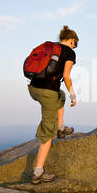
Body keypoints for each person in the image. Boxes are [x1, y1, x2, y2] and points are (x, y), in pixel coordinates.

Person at [27, 25, 78, 184]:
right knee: (48, 133)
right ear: (71, 41)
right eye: (74, 44)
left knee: (60, 96)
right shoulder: (69, 52)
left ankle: (60, 127)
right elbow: (66, 76)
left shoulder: (52, 47)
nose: (74, 46)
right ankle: (38, 172)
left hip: (33, 88)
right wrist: (73, 93)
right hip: (47, 92)